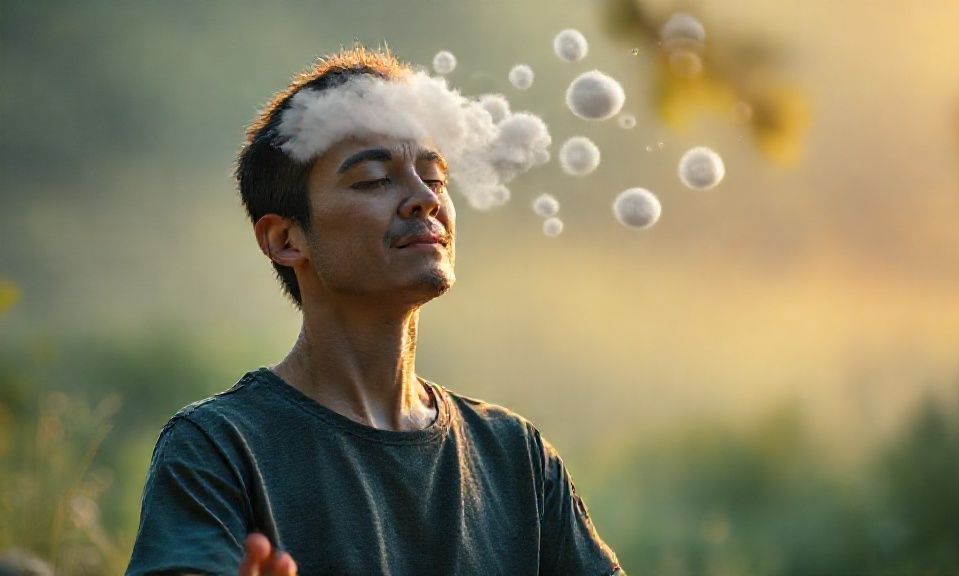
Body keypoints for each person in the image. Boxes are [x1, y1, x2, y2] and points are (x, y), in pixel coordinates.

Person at [125, 46, 625, 576]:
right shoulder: (221, 449)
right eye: (373, 180)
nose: (423, 199)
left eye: (434, 178)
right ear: (285, 239)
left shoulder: (513, 457)